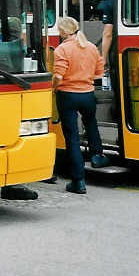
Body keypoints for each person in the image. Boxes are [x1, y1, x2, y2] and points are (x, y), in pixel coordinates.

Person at [52, 16, 107, 194]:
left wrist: (53, 88)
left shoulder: (62, 49)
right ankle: (97, 155)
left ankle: (78, 181)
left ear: (62, 31)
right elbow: (99, 71)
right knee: (91, 123)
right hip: (88, 94)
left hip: (68, 95)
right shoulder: (91, 47)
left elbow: (59, 76)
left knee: (72, 138)